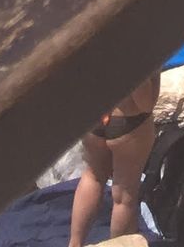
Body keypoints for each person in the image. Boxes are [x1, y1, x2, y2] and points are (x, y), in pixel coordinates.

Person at [68, 72, 163, 247]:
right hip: (128, 119)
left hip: (94, 116)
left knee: (92, 177)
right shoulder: (134, 46)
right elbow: (145, 104)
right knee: (124, 195)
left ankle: (74, 244)